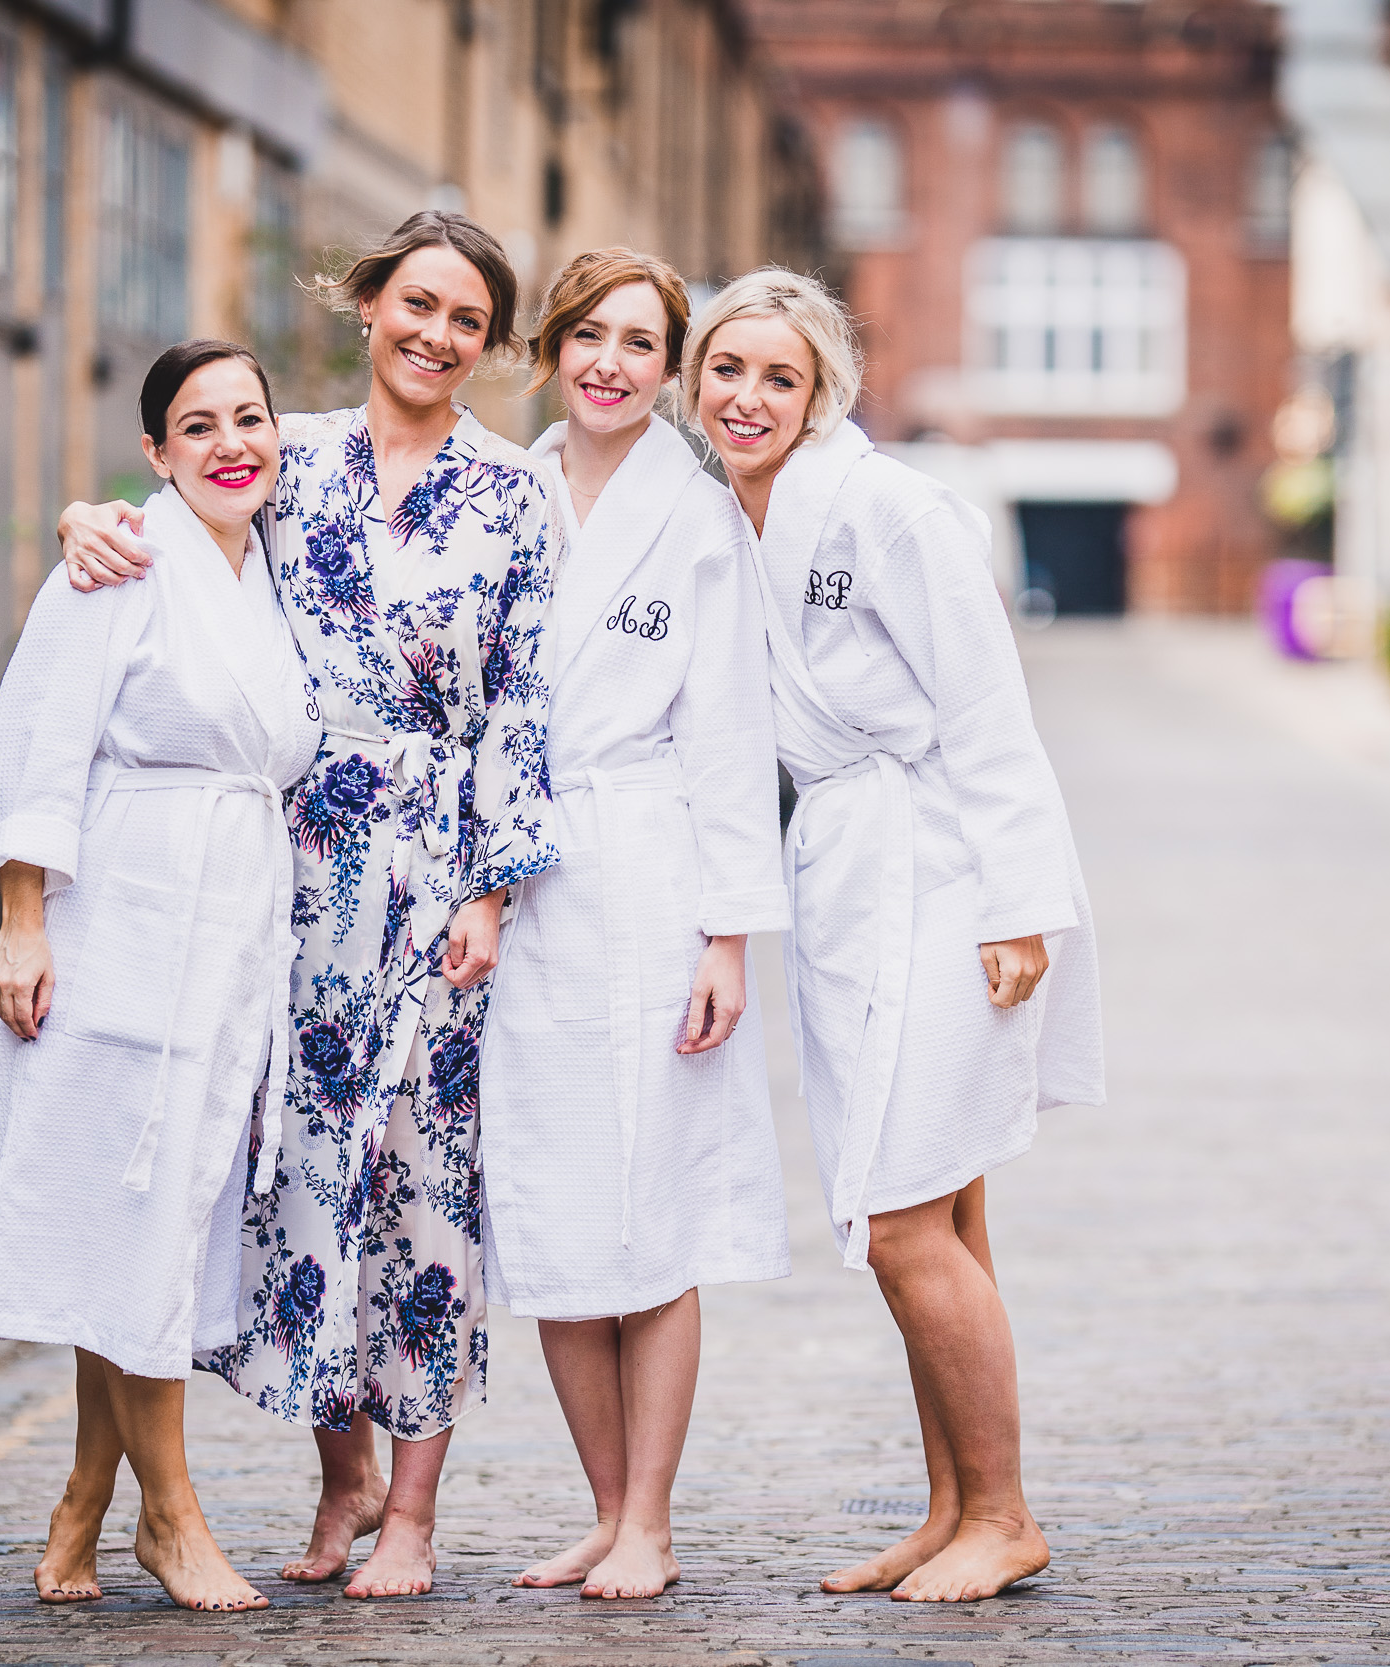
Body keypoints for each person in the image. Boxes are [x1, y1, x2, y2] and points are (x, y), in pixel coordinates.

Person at [54, 211, 560, 1599]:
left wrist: (493, 889)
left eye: (467, 319)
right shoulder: (293, 454)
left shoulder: (516, 495)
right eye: (416, 304)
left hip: (433, 874)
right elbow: (175, 516)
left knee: (425, 1180)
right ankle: (335, 1479)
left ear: (490, 344)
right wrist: (86, 516)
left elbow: (523, 704)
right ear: (370, 304)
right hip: (284, 873)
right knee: (300, 1171)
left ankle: (412, 1508)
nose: (436, 335)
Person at [682, 268, 1104, 1603]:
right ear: (695, 383)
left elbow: (987, 706)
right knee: (935, 1205)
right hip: (849, 875)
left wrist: (1020, 905)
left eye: (780, 376)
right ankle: (953, 1504)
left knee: (906, 1213)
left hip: (942, 866)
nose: (748, 396)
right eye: (727, 369)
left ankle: (1009, 1514)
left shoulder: (888, 507)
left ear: (821, 396)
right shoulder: (726, 519)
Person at [0, 339, 320, 1614]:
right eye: (198, 426)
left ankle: (80, 1508)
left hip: (225, 938)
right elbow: (37, 745)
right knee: (129, 1216)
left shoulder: (264, 562)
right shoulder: (118, 565)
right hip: (118, 929)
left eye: (251, 418)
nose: (232, 443)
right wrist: (21, 922)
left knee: (149, 1227)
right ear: (155, 453)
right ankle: (172, 1512)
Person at [478, 249, 790, 1600]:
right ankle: (604, 1510)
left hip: (655, 869)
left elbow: (727, 731)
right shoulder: (494, 490)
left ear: (671, 370)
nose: (612, 360)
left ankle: (652, 1514)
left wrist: (727, 932)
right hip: (520, 886)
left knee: (656, 1207)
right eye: (590, 333)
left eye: (642, 342)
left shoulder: (700, 514)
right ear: (552, 346)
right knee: (553, 1210)